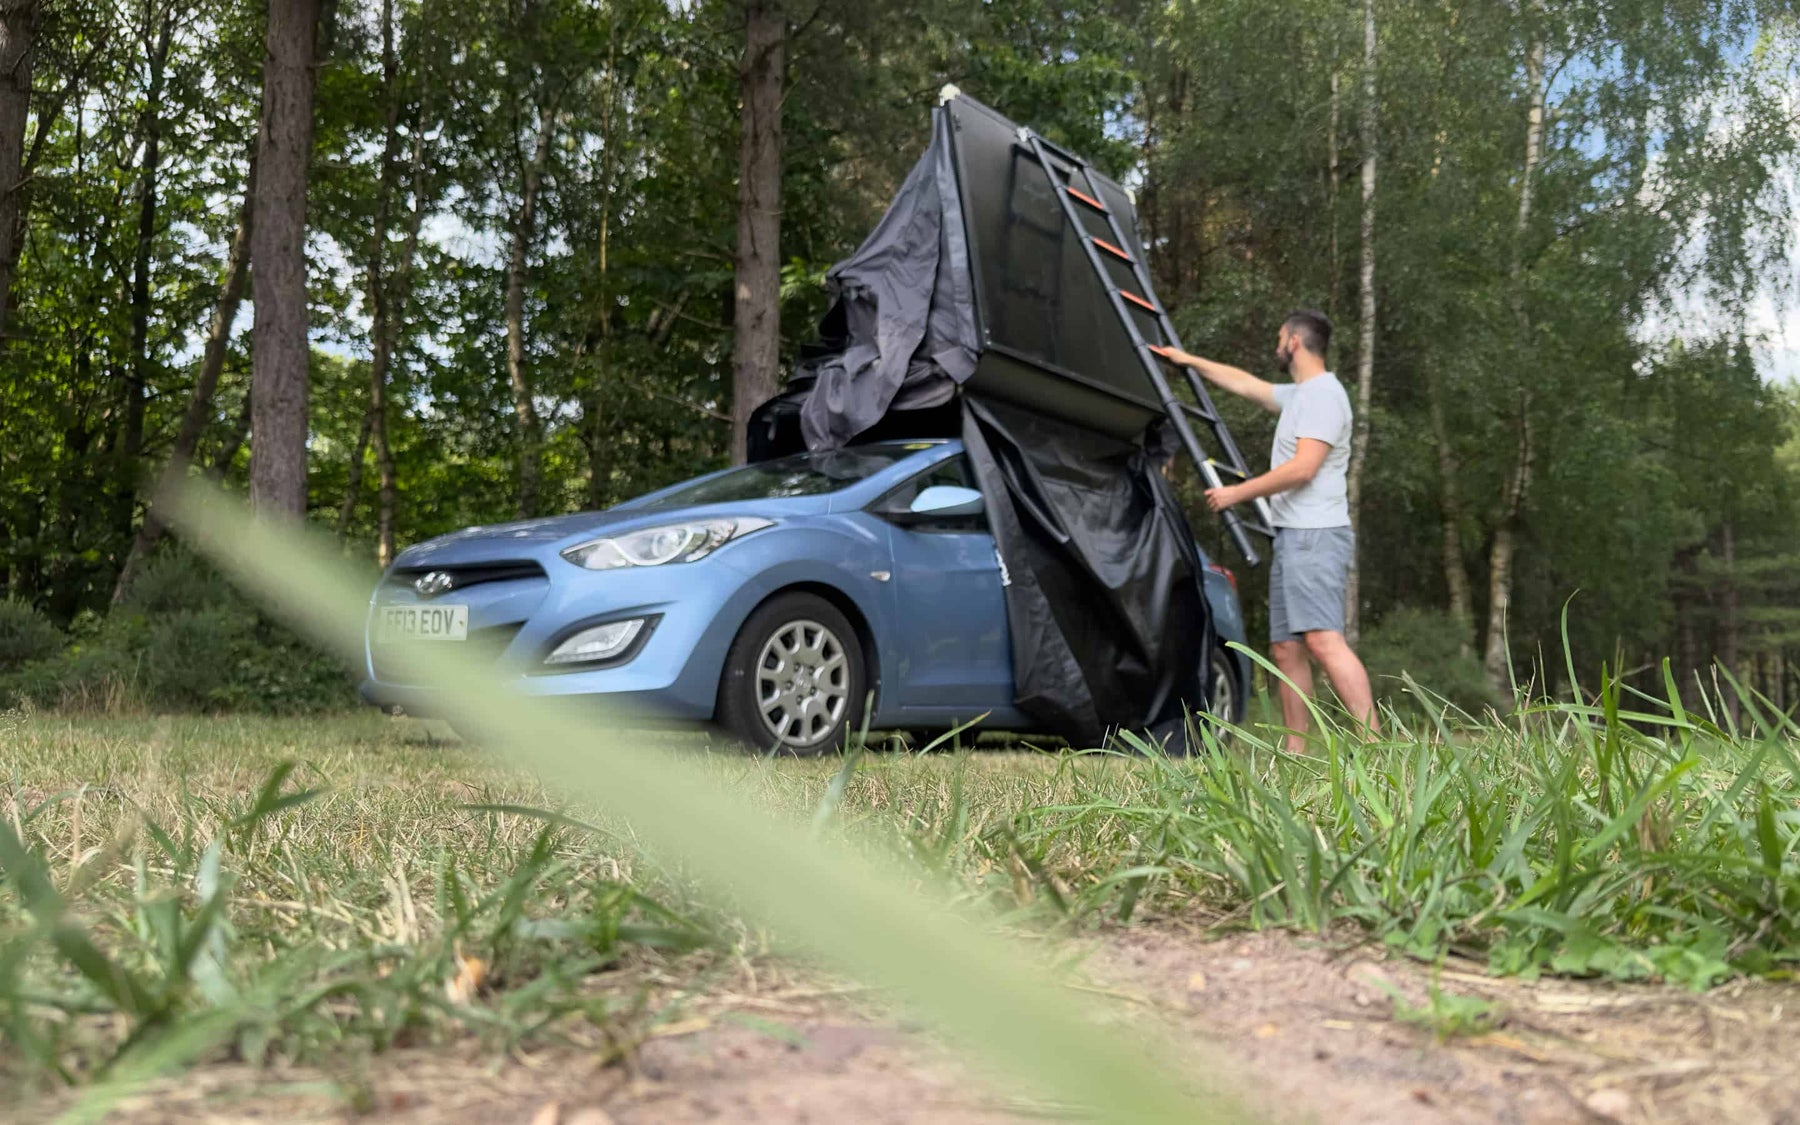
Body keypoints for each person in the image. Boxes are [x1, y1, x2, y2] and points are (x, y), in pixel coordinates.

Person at [1160, 310, 1378, 753]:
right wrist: (1188, 361)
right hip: (1293, 536)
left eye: (1280, 337)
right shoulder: (1300, 394)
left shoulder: (1323, 396)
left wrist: (1237, 494)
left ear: (1295, 342)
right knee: (1285, 648)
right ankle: (1296, 753)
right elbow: (1245, 384)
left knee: (1322, 639)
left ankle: (1376, 748)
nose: (1277, 345)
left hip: (1316, 535)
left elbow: (1304, 468)